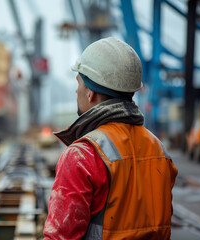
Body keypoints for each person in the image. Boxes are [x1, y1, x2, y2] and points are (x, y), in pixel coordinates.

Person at [43, 37, 178, 240]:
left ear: (90, 92)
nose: (75, 90)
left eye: (78, 82)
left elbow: (61, 236)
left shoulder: (82, 155)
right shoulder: (159, 149)